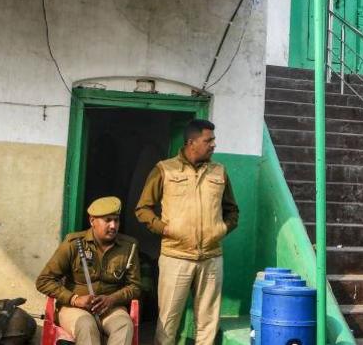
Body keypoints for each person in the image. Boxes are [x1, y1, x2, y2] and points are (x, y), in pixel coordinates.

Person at [135, 119, 239, 345]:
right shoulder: (165, 169)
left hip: (211, 258)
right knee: (167, 323)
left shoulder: (219, 171)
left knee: (208, 324)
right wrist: (165, 229)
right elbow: (143, 209)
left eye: (213, 140)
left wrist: (221, 229)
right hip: (175, 257)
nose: (213, 145)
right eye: (208, 140)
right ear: (191, 142)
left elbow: (232, 210)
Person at [36, 197, 142, 345]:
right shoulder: (73, 244)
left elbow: (135, 287)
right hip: (74, 308)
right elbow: (43, 281)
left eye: (116, 220)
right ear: (92, 221)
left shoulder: (128, 247)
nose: (113, 226)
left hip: (110, 308)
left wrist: (112, 299)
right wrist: (74, 299)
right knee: (86, 325)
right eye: (108, 220)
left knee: (124, 325)